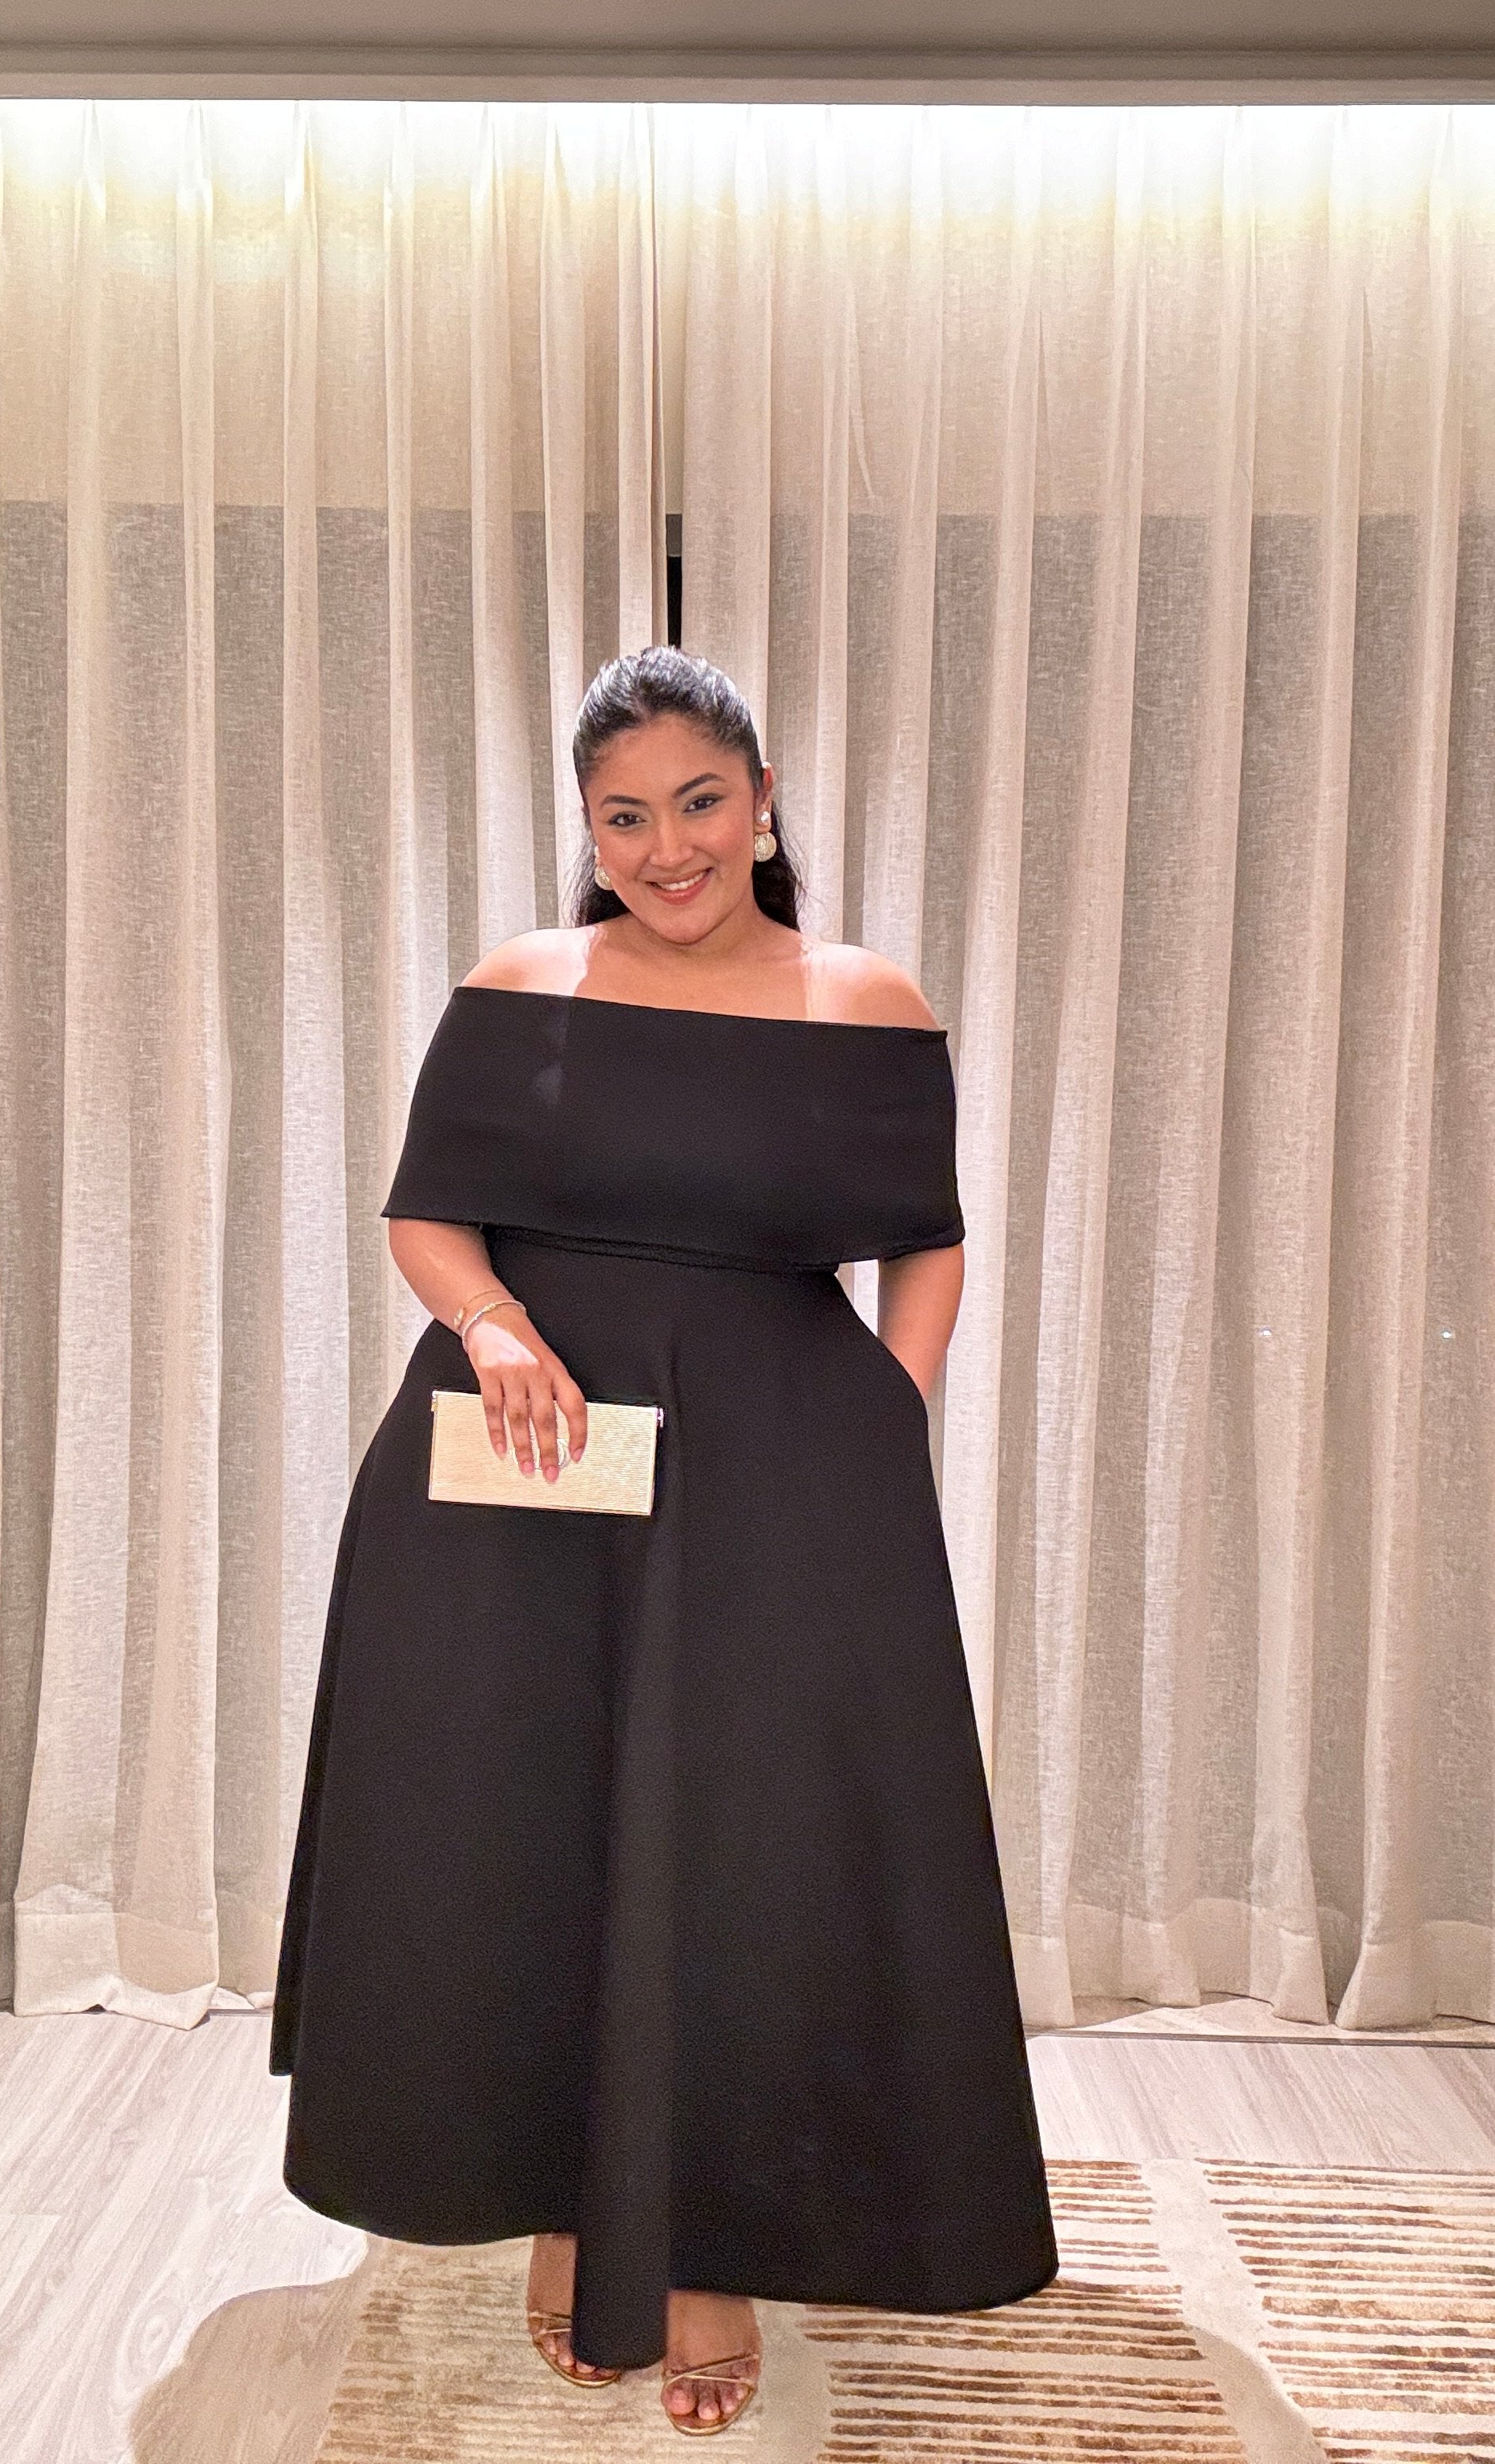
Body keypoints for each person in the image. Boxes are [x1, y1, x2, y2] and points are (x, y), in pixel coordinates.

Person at [271, 646, 1058, 2436]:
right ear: (587, 829)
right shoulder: (521, 983)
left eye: (699, 801)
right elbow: (427, 1217)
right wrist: (489, 1327)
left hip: (781, 1475)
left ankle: (706, 2239)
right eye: (622, 816)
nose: (666, 846)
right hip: (520, 1468)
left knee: (750, 1848)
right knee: (528, 1830)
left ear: (762, 803)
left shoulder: (861, 999)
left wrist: (882, 1419)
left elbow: (923, 1238)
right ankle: (565, 2200)